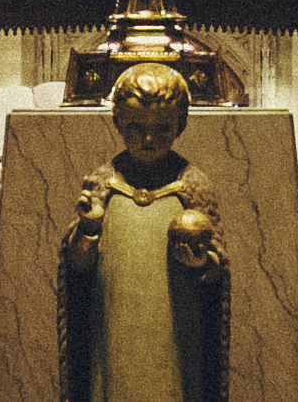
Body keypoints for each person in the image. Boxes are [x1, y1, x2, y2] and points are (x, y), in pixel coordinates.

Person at [59, 63, 227, 402]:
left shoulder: (192, 187)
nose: (148, 139)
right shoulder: (104, 185)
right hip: (115, 326)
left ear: (180, 124)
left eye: (162, 128)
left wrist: (199, 261)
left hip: (174, 325)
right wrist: (89, 227)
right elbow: (77, 268)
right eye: (136, 127)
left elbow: (216, 270)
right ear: (118, 121)